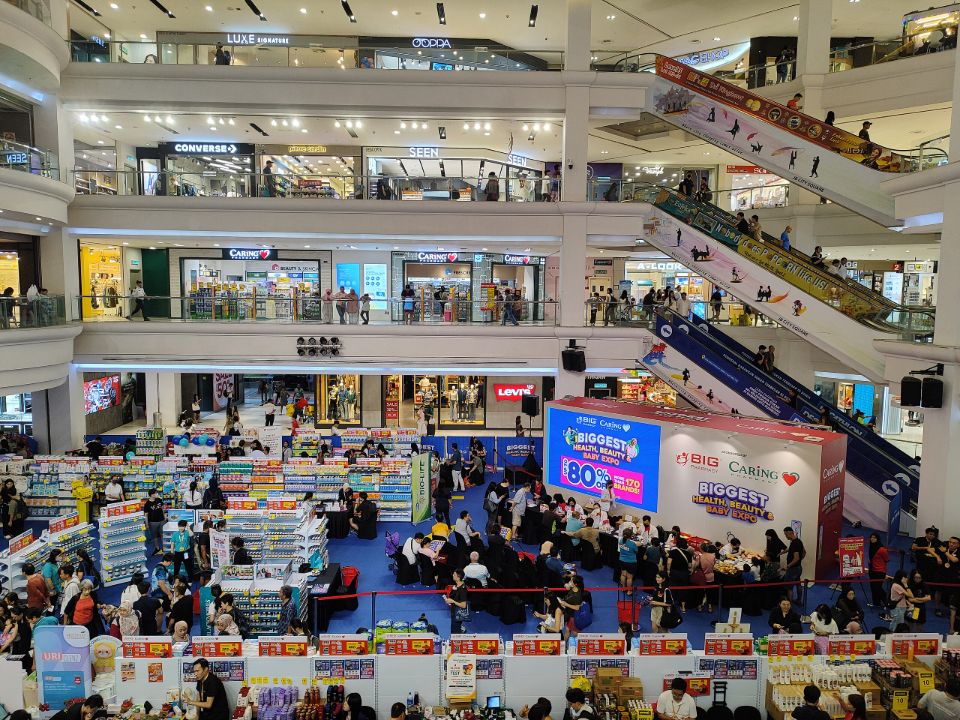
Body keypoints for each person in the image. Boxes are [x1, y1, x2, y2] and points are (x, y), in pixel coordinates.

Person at [866, 533, 889, 610]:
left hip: (880, 572)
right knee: (873, 588)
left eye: (874, 537)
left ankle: (887, 603)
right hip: (872, 570)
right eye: (871, 537)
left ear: (877, 539)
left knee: (878, 588)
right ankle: (876, 603)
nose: (872, 539)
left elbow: (886, 559)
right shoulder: (871, 546)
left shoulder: (882, 549)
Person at [444, 567, 469, 633]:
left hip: (458, 614)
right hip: (454, 612)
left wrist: (453, 601)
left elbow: (463, 605)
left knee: (455, 632)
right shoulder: (456, 586)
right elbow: (452, 597)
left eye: (454, 574)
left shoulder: (462, 589)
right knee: (453, 630)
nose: (452, 575)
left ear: (458, 577)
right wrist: (449, 600)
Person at [144, 488, 166, 556]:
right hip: (153, 522)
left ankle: (164, 548)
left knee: (163, 535)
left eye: (156, 493)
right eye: (155, 493)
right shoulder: (147, 504)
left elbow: (162, 508)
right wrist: (146, 524)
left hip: (161, 520)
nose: (156, 494)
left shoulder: (158, 499)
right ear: (151, 495)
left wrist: (164, 517)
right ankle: (157, 549)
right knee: (155, 536)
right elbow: (146, 514)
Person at [618, 528, 639, 592]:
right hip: (630, 562)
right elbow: (636, 551)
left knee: (623, 575)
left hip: (622, 560)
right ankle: (629, 591)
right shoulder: (632, 544)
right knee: (629, 578)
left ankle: (623, 588)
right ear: (631, 535)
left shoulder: (621, 540)